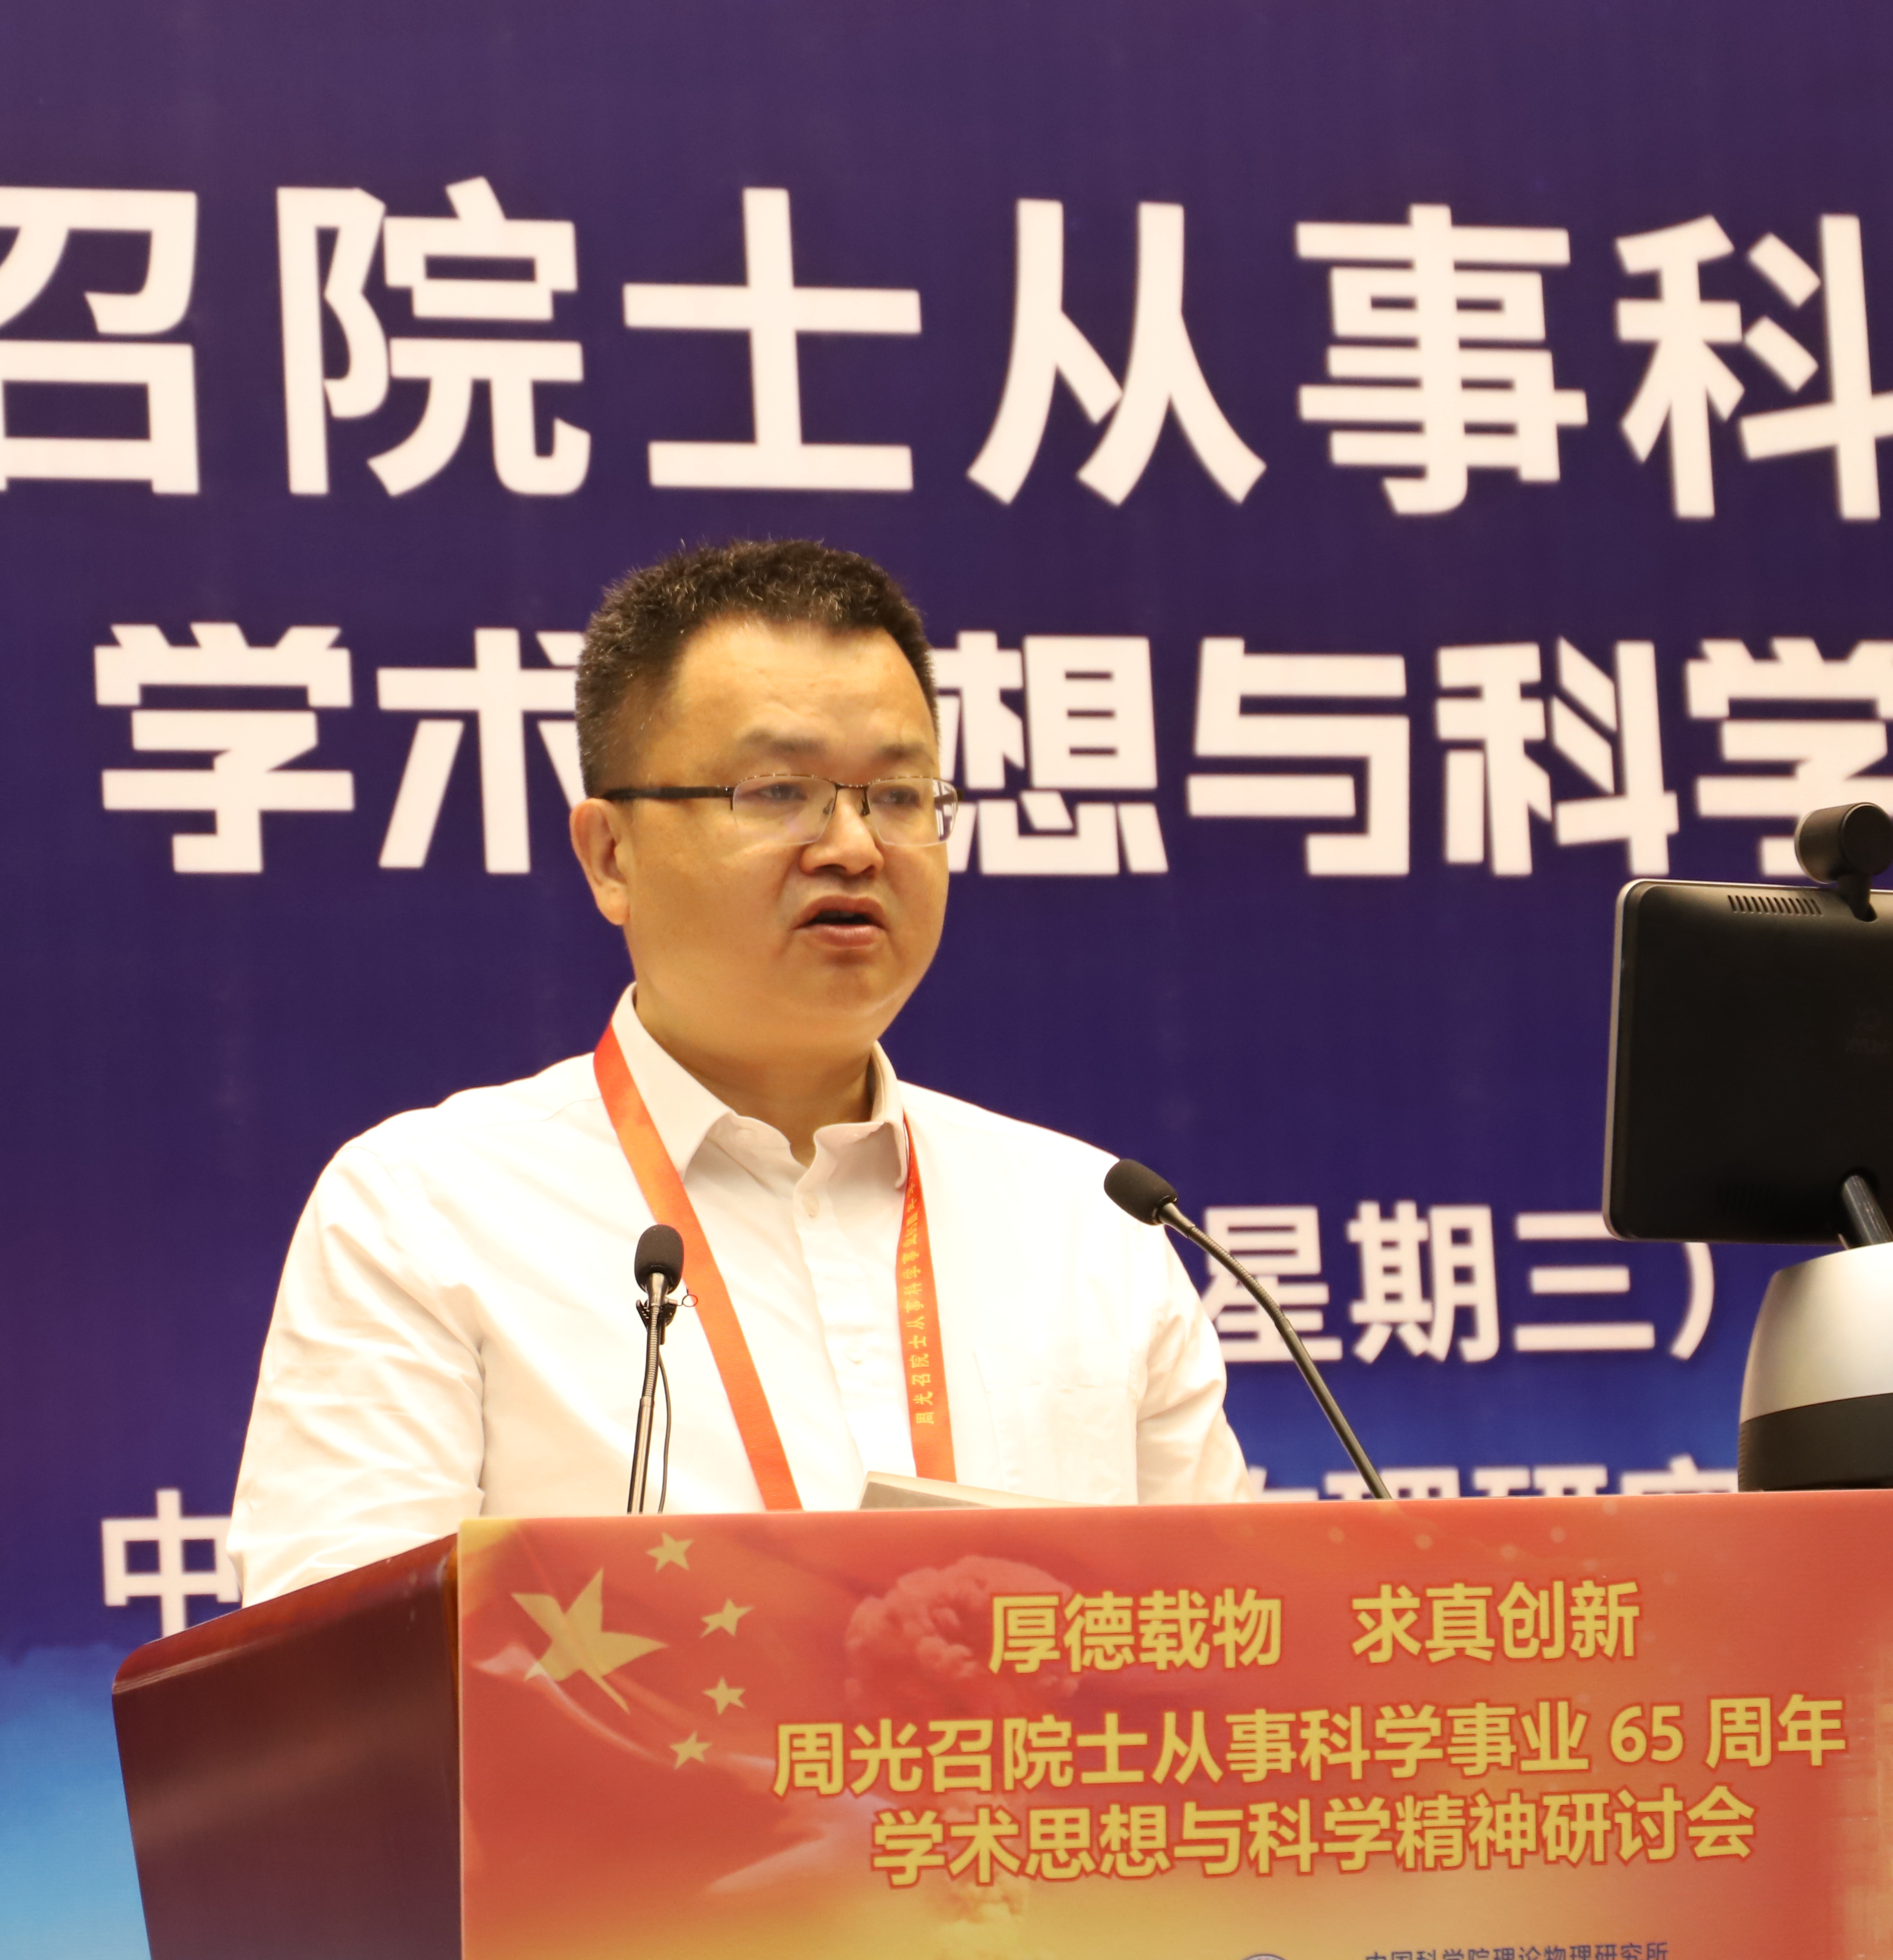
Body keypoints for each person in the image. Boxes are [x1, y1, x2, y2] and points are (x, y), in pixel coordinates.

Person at [223, 540, 1244, 1602]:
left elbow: (1229, 1637)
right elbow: (345, 1674)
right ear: (610, 855)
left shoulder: (1095, 1222)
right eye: (778, 791)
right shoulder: (424, 1215)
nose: (854, 846)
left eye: (900, 795)